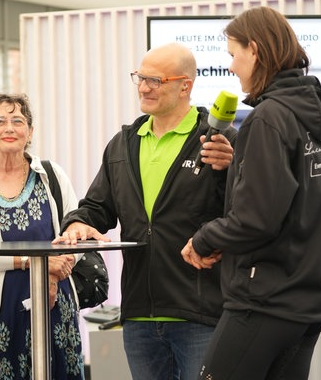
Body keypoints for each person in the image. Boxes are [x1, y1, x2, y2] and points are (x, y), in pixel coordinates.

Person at [54, 42, 236, 379]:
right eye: (140, 77)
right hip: (139, 316)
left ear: (186, 85)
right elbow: (98, 207)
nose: (144, 87)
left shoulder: (216, 142)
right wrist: (78, 223)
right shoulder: (124, 143)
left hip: (201, 314)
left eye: (156, 80)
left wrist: (232, 168)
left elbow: (241, 212)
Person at [181, 6, 321, 379]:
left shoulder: (269, 118)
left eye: (233, 55)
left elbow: (257, 219)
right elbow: (295, 202)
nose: (232, 67)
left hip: (265, 302)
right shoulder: (313, 111)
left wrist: (205, 238)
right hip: (306, 300)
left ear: (254, 50)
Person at [0, 93, 83, 379]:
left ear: (30, 132)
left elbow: (77, 233)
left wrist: (55, 271)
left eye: (18, 121)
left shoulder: (51, 175)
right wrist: (33, 262)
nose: (9, 128)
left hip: (52, 308)